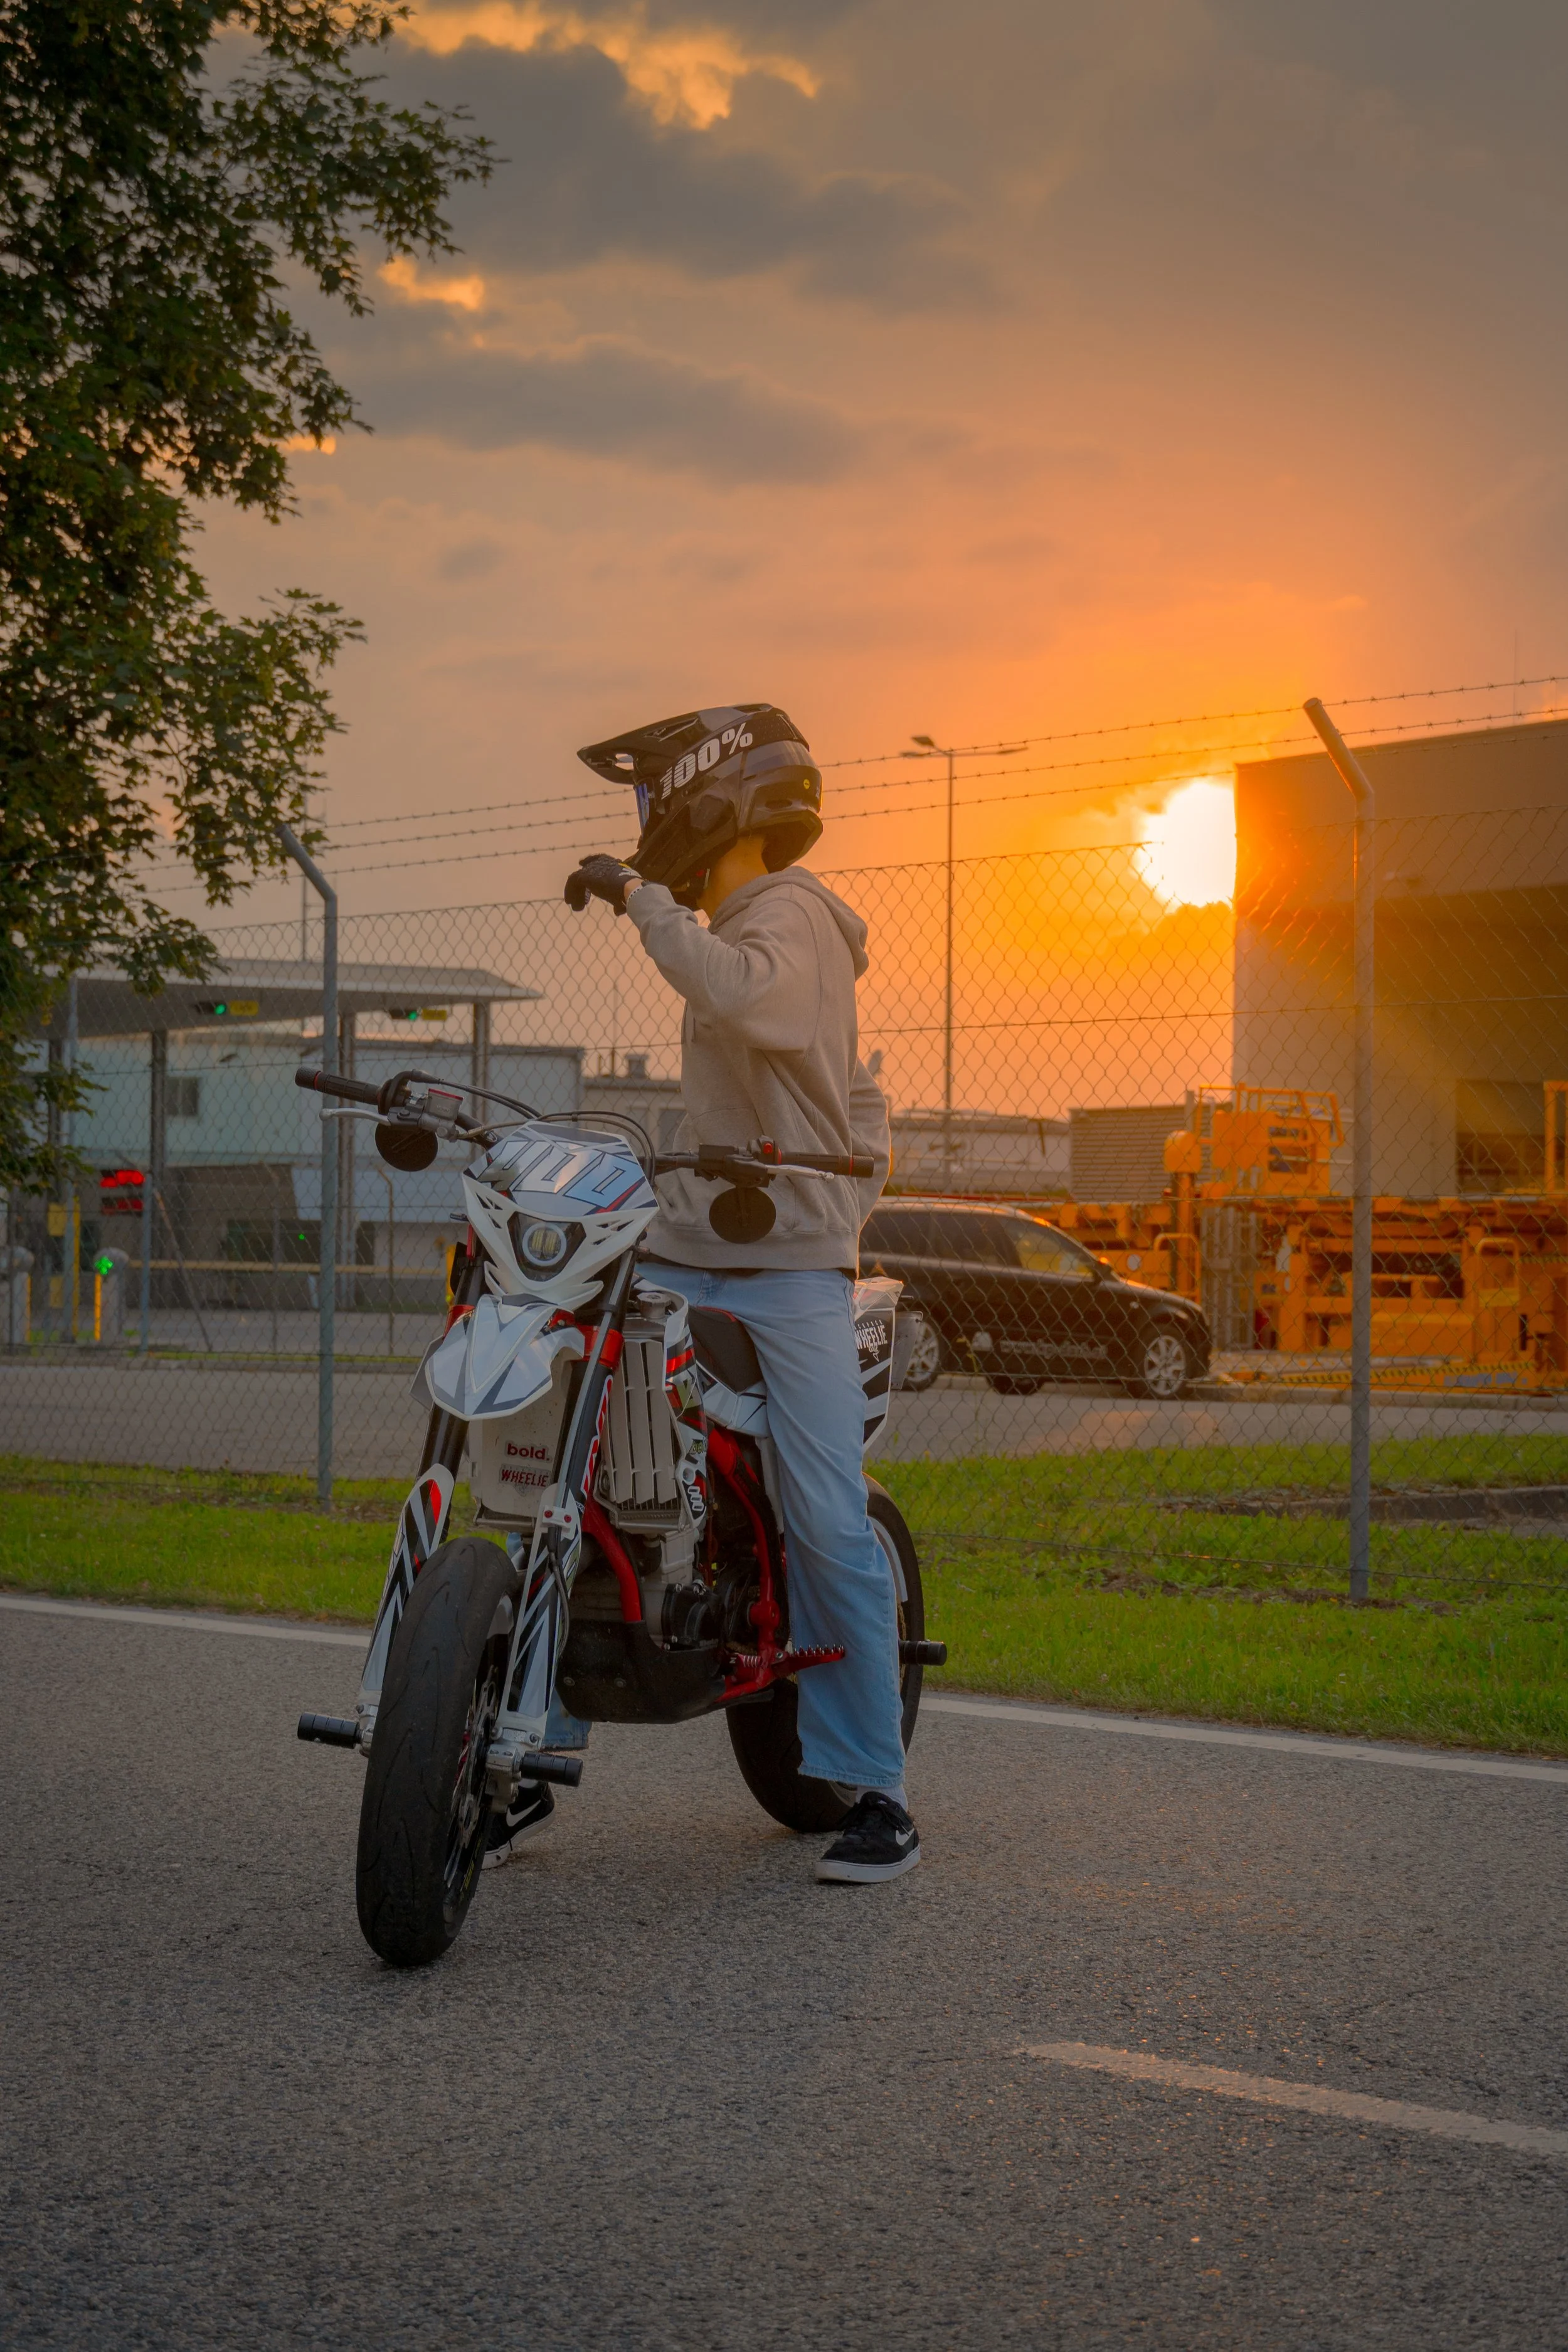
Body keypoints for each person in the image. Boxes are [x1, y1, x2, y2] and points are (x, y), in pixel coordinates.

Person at [538, 703, 918, 1885]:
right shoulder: (747, 921)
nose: (647, 828)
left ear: (711, 797)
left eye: (655, 801)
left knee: (825, 1515)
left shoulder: (790, 915)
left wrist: (644, 904)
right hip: (694, 1250)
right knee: (567, 1473)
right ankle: (517, 1754)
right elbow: (820, 1075)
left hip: (790, 1266)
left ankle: (876, 1792)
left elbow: (754, 1000)